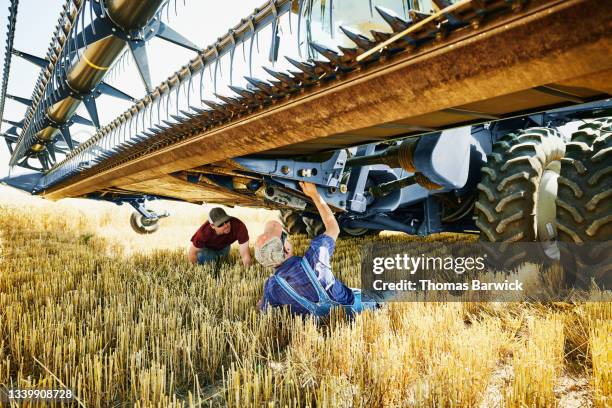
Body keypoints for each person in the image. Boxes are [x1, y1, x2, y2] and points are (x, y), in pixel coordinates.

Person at [254, 181, 374, 317]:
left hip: (319, 324)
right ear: (287, 249)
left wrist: (261, 306)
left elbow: (263, 309)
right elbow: (333, 228)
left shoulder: (272, 287)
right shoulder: (314, 259)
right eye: (285, 237)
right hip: (358, 311)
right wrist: (314, 194)